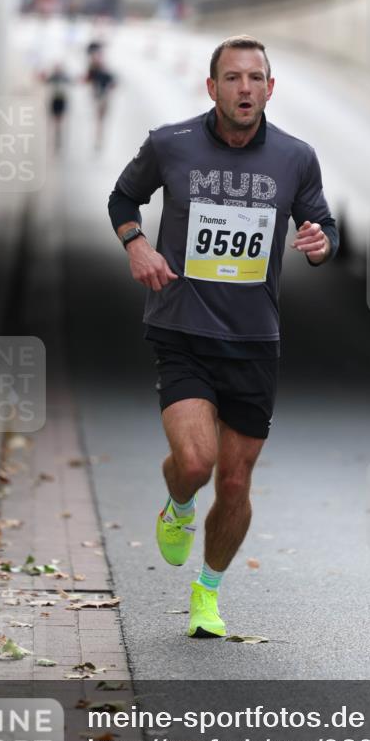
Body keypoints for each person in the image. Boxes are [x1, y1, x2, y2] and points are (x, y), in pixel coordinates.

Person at [108, 35, 338, 638]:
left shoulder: (295, 157)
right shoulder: (170, 144)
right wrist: (137, 245)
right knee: (196, 460)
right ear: (211, 87)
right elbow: (123, 196)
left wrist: (321, 244)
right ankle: (179, 503)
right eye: (232, 78)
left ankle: (207, 596)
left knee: (235, 481)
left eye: (255, 78)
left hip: (255, 341)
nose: (244, 88)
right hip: (181, 327)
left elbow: (323, 223)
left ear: (270, 87)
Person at [86, 47, 117, 150]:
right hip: (99, 98)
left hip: (102, 97)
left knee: (100, 120)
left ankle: (99, 139)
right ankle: (98, 139)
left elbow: (113, 84)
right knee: (99, 120)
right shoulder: (94, 70)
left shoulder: (104, 71)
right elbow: (86, 80)